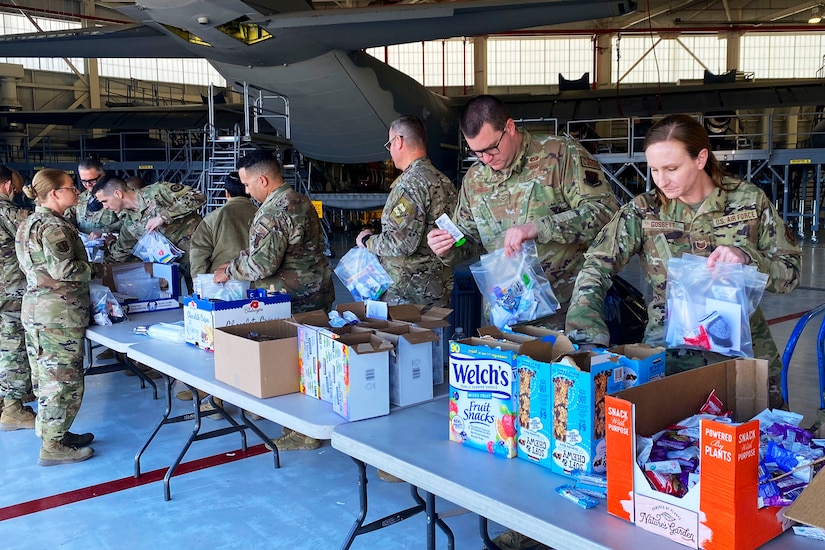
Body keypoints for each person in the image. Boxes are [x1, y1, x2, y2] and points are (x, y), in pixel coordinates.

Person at [565, 114, 801, 410]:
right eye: (654, 169)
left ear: (701, 158)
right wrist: (587, 335)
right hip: (669, 357)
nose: (661, 180)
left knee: (760, 441)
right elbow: (596, 267)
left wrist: (747, 258)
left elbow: (791, 273)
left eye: (672, 168)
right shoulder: (644, 211)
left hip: (742, 354)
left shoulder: (748, 202)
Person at [427, 94, 618, 330]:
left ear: (509, 127)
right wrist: (446, 247)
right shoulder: (474, 179)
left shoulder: (560, 156)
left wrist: (539, 227)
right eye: (477, 152)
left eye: (492, 148)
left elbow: (605, 212)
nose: (486, 159)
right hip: (505, 319)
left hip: (565, 315)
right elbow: (469, 243)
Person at [214, 150, 334, 451]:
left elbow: (263, 265)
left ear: (263, 179)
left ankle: (304, 432)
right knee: (314, 362)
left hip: (291, 299)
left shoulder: (273, 211)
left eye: (249, 185)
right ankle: (313, 426)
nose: (247, 191)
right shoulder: (299, 199)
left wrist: (228, 271)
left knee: (296, 366)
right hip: (315, 290)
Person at [15, 168, 97, 465]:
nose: (76, 191)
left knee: (45, 377)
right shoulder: (53, 227)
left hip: (39, 310)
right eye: (71, 187)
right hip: (58, 315)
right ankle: (52, 445)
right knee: (63, 381)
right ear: (54, 193)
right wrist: (100, 268)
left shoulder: (29, 223)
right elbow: (66, 271)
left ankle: (57, 433)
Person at [355, 115, 458, 309]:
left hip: (408, 299)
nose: (390, 152)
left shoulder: (409, 185)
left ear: (398, 141)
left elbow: (401, 244)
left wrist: (367, 241)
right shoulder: (444, 181)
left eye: (390, 145)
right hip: (438, 292)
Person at [180, 172, 257, 412]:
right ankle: (255, 404)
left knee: (219, 346)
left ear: (226, 193)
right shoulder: (262, 214)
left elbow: (199, 252)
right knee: (255, 342)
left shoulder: (215, 217)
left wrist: (200, 287)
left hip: (222, 290)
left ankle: (214, 400)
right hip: (258, 287)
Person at [92, 175, 205, 292]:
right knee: (196, 303)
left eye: (105, 201)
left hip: (201, 255)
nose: (105, 207)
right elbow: (120, 254)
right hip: (179, 268)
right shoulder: (130, 223)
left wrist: (163, 217)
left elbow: (198, 196)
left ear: (118, 194)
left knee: (211, 298)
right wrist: (96, 271)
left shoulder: (157, 192)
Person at [0, 166, 35, 430]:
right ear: (8, 186)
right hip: (9, 293)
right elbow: (40, 224)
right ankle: (12, 409)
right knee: (14, 349)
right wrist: (37, 198)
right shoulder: (7, 212)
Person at [64, 159, 121, 236]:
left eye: (92, 180)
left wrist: (103, 231)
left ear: (102, 175)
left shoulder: (116, 196)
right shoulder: (81, 197)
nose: (88, 185)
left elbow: (127, 221)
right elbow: (69, 218)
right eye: (83, 181)